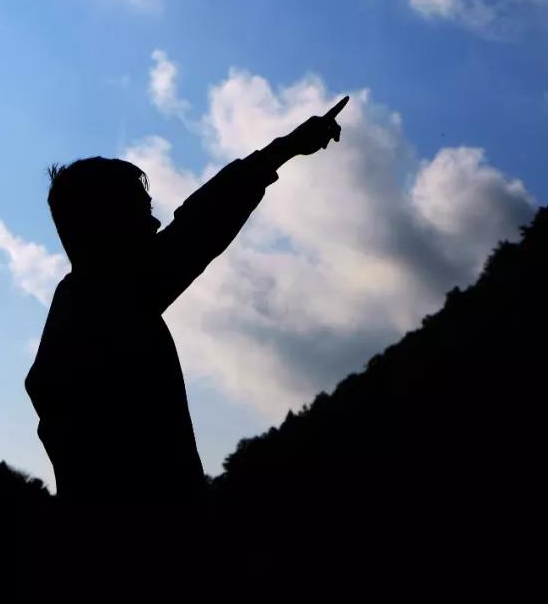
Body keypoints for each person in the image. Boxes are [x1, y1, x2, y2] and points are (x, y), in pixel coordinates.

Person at [25, 97, 347, 504]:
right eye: (140, 211)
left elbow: (194, 225)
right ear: (104, 224)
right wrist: (283, 149)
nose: (155, 223)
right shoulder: (109, 302)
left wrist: (283, 149)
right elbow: (198, 225)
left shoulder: (86, 306)